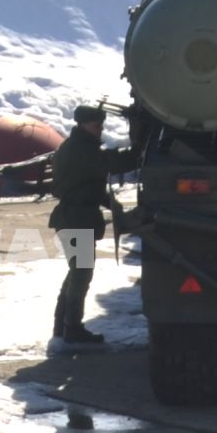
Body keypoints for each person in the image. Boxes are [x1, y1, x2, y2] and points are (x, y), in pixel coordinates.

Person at [48, 103, 140, 345]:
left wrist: (115, 207)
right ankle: (72, 328)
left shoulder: (79, 146)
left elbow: (89, 184)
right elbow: (113, 163)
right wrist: (140, 146)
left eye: (101, 125)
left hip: (74, 217)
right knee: (81, 273)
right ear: (84, 125)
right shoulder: (81, 150)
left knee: (77, 272)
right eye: (96, 125)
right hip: (76, 219)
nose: (100, 129)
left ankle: (63, 325)